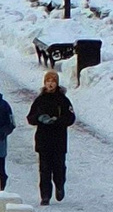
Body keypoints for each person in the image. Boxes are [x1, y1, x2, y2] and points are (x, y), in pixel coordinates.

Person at [27, 64, 77, 203]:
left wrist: (57, 121)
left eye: (53, 81)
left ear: (57, 83)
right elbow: (30, 117)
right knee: (44, 170)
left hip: (58, 141)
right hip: (43, 141)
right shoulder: (40, 100)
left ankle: (59, 185)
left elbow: (71, 118)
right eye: (48, 81)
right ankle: (45, 196)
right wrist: (39, 118)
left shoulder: (63, 100)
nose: (50, 84)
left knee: (58, 168)